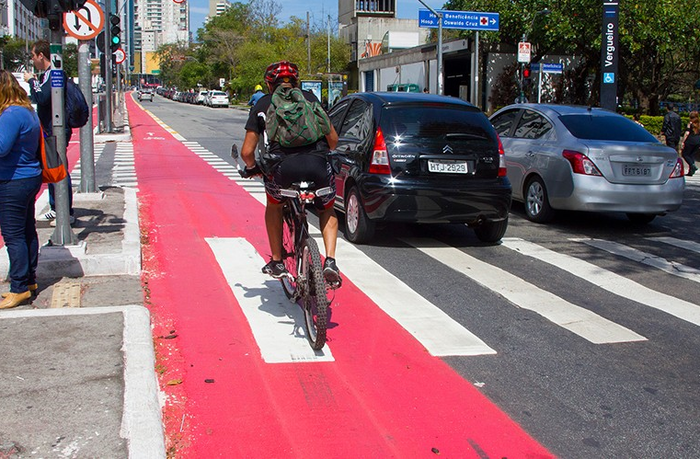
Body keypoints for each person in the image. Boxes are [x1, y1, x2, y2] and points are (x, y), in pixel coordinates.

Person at [240, 61, 341, 286]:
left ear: (269, 84)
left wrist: (252, 168)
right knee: (327, 208)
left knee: (274, 204)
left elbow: (247, 152)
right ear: (296, 81)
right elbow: (333, 141)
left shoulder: (263, 105)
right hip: (318, 167)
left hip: (282, 169)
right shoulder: (311, 100)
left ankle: (277, 261)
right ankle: (331, 261)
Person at [0, 70, 43, 309]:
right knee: (26, 231)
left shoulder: (10, 115)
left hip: (12, 180)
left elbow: (1, 148)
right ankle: (29, 281)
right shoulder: (26, 111)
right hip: (28, 177)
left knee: (13, 235)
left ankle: (18, 288)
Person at [23, 40, 75, 225]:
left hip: (56, 127)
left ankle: (65, 211)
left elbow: (42, 97)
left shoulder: (51, 74)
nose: (32, 59)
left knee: (58, 168)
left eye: (33, 55)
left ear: (41, 56)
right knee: (52, 167)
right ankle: (57, 207)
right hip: (51, 127)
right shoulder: (48, 74)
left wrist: (31, 81)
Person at [680, 111, 699, 176]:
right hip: (697, 141)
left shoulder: (690, 124)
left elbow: (687, 133)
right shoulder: (699, 124)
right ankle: (691, 171)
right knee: (692, 155)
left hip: (690, 141)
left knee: (685, 154)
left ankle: (692, 166)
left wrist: (683, 141)